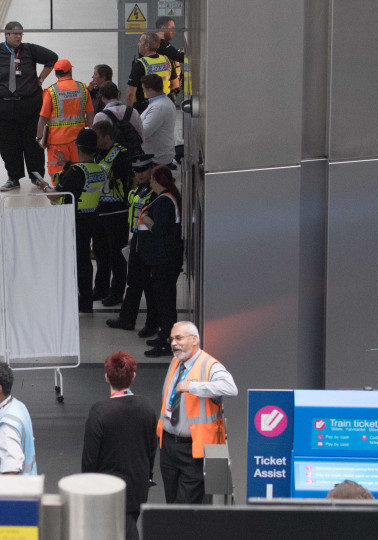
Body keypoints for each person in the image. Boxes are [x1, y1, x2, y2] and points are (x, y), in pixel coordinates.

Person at [0, 21, 58, 191]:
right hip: (3, 108)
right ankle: (13, 177)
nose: (18, 37)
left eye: (20, 34)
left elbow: (52, 58)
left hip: (29, 106)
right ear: (6, 35)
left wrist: (41, 79)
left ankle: (37, 177)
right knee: (8, 144)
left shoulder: (29, 50)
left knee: (33, 143)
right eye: (15, 34)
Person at [156, 321, 237, 503]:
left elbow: (230, 388)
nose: (173, 343)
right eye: (171, 339)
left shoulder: (209, 365)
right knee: (171, 502)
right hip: (168, 445)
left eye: (178, 338)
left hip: (193, 449)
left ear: (194, 340)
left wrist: (193, 387)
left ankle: (182, 532)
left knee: (185, 505)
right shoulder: (176, 362)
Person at [82, 351, 158, 540]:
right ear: (133, 376)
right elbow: (151, 448)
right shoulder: (147, 407)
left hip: (107, 489)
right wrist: (147, 477)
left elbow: (90, 458)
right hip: (137, 486)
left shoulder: (99, 411)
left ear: (106, 377)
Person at [36, 129, 107, 313]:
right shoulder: (98, 169)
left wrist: (44, 186)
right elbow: (82, 176)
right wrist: (66, 164)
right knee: (84, 262)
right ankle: (86, 300)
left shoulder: (75, 172)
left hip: (73, 222)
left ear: (78, 148)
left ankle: (73, 300)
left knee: (72, 262)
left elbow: (54, 196)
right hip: (91, 219)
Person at [137, 165, 183, 357]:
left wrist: (145, 218)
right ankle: (165, 336)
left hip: (165, 260)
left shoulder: (164, 201)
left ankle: (167, 342)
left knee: (165, 303)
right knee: (164, 300)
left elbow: (159, 229)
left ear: (156, 181)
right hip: (164, 259)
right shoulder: (166, 198)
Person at [106, 155, 156, 332]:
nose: (140, 175)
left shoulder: (155, 192)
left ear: (151, 169)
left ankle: (151, 324)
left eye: (143, 170)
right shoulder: (135, 191)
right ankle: (128, 319)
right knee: (134, 281)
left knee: (149, 285)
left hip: (149, 242)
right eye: (137, 171)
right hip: (137, 239)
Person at [91, 120, 133, 307]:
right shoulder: (97, 152)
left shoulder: (121, 154)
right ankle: (100, 288)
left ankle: (117, 292)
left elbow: (121, 176)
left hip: (117, 211)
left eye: (97, 137)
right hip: (99, 210)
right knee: (100, 252)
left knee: (116, 254)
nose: (95, 141)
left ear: (107, 137)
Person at [37, 59, 93, 178]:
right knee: (79, 171)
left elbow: (43, 117)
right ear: (70, 71)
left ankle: (59, 195)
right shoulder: (82, 88)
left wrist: (39, 137)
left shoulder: (51, 91)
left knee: (58, 173)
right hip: (79, 140)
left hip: (57, 141)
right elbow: (90, 114)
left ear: (56, 73)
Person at [126, 32, 178, 113]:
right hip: (165, 104)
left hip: (145, 108)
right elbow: (175, 84)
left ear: (147, 45)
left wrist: (128, 114)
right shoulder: (167, 60)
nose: (138, 44)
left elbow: (130, 93)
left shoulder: (139, 64)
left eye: (140, 41)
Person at [92, 81, 144, 151]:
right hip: (134, 156)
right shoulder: (133, 111)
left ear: (102, 98)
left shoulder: (100, 116)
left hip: (112, 158)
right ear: (118, 94)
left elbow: (96, 141)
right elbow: (141, 135)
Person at [139, 74, 176, 167]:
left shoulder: (159, 107)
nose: (143, 91)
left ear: (151, 90)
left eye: (144, 89)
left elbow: (144, 132)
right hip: (157, 155)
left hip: (156, 158)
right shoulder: (161, 102)